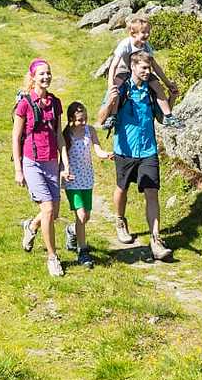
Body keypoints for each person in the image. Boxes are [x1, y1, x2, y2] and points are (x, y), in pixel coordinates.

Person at [100, 51, 170, 260]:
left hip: (148, 149)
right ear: (133, 67)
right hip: (125, 150)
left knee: (152, 192)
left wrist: (171, 98)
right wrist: (110, 102)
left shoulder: (151, 90)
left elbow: (162, 118)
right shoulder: (120, 88)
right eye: (144, 68)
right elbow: (101, 118)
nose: (148, 72)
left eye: (149, 68)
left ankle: (156, 240)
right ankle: (120, 220)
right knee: (122, 189)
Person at [12, 58, 72, 276]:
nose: (46, 77)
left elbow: (59, 135)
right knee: (47, 209)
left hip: (51, 163)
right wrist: (18, 169)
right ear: (33, 78)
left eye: (48, 73)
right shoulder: (25, 104)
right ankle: (52, 257)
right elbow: (16, 137)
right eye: (41, 74)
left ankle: (32, 226)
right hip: (32, 162)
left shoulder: (55, 103)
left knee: (53, 214)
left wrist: (64, 163)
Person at [94, 14, 179, 125]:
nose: (147, 35)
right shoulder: (125, 44)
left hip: (142, 71)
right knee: (117, 89)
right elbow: (113, 66)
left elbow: (155, 66)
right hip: (124, 70)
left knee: (158, 87)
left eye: (148, 32)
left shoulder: (146, 46)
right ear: (133, 33)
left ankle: (168, 115)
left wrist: (167, 83)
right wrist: (111, 85)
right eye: (143, 32)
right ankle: (112, 116)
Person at [59, 101, 111, 268]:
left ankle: (71, 231)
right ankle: (83, 251)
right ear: (71, 119)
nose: (84, 122)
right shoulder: (66, 134)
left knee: (86, 216)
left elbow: (98, 150)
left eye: (86, 119)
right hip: (72, 180)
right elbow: (62, 156)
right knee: (81, 215)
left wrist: (107, 155)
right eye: (80, 120)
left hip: (87, 179)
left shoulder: (90, 131)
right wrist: (63, 172)